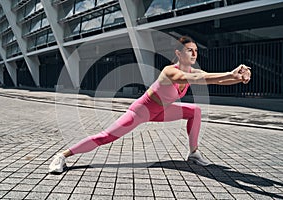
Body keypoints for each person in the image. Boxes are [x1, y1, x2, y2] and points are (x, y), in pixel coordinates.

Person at [49, 36, 251, 173]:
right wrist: (230, 74)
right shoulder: (170, 71)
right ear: (179, 54)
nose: (194, 54)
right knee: (106, 136)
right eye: (189, 50)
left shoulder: (194, 72)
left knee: (194, 111)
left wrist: (238, 78)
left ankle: (193, 153)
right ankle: (63, 155)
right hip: (142, 110)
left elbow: (212, 78)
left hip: (163, 111)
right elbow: (203, 80)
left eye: (196, 51)